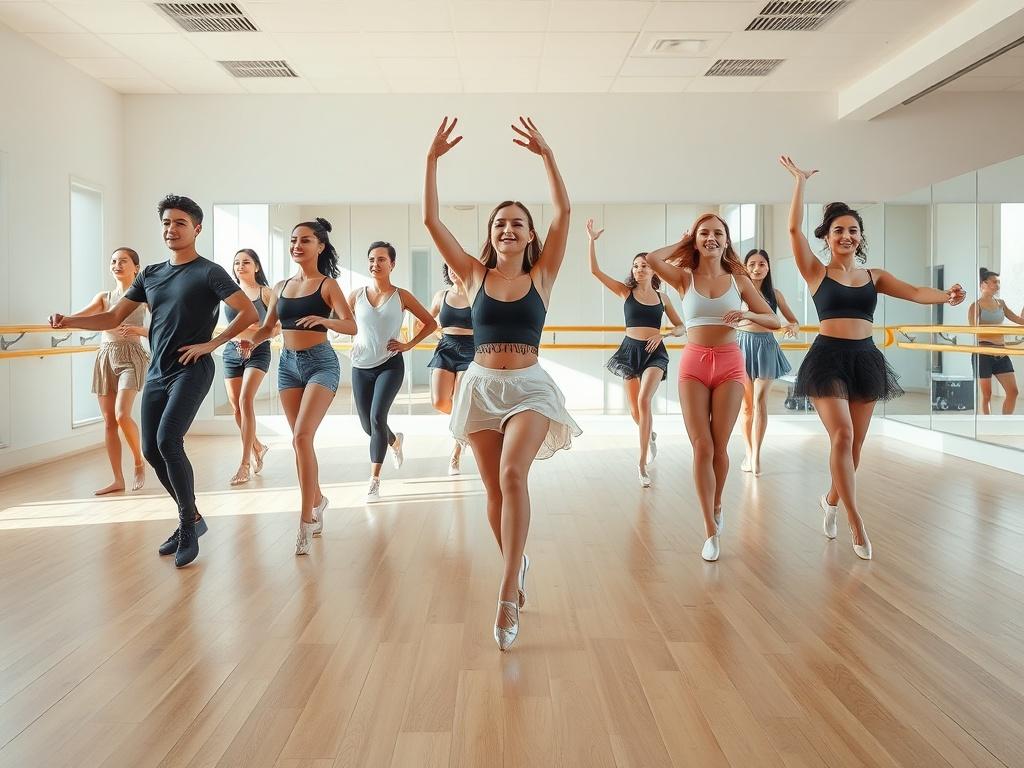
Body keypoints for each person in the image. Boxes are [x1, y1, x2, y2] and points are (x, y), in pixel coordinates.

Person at [424, 116, 580, 650]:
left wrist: (547, 155)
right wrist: (431, 161)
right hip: (483, 386)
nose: (508, 230)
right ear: (490, 236)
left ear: (529, 234)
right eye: (499, 225)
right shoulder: (472, 275)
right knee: (493, 491)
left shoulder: (543, 274)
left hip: (530, 388)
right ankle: (517, 561)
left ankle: (508, 588)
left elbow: (564, 213)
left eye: (517, 223)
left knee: (514, 476)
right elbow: (430, 221)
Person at [50, 194, 258, 567]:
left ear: (196, 228)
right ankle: (192, 517)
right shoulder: (151, 274)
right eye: (166, 223)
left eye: (180, 223)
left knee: (168, 440)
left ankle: (186, 525)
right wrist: (70, 321)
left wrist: (211, 344)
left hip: (192, 368)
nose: (171, 229)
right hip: (159, 371)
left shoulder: (209, 272)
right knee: (149, 450)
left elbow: (246, 312)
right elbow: (114, 317)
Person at [780, 155, 965, 560]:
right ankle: (855, 521)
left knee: (856, 445)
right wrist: (800, 183)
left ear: (859, 238)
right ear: (826, 238)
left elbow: (917, 293)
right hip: (827, 358)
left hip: (864, 358)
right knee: (842, 436)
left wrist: (946, 297)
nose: (845, 236)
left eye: (852, 231)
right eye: (838, 231)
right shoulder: (815, 272)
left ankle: (830, 499)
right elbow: (793, 228)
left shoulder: (874, 277)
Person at [646, 215, 781, 562]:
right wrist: (685, 241)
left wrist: (745, 317)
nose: (711, 238)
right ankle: (709, 529)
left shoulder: (739, 280)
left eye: (717, 233)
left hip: (730, 364)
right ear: (696, 239)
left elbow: (774, 320)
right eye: (704, 233)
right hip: (693, 365)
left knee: (720, 446)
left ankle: (717, 502)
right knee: (701, 446)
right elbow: (652, 260)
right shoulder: (683, 277)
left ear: (726, 240)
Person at [249, 218, 356, 555]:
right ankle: (319, 500)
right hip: (287, 366)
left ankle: (305, 519)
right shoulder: (279, 286)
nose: (297, 245)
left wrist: (326, 320)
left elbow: (350, 325)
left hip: (321, 363)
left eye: (305, 240)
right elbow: (269, 328)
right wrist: (249, 341)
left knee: (300, 436)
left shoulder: (328, 285)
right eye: (294, 240)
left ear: (320, 246)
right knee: (300, 442)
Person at [586, 219, 684, 487]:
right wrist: (592, 241)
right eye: (637, 265)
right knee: (635, 411)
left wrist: (662, 334)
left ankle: (641, 465)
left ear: (655, 271)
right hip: (630, 351)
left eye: (645, 265)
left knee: (644, 401)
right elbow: (595, 271)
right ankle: (649, 433)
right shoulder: (624, 291)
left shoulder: (663, 299)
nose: (640, 268)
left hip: (655, 353)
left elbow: (681, 327)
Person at [348, 241, 438, 502]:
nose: (375, 264)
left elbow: (431, 323)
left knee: (377, 418)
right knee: (368, 426)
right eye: (371, 259)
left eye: (381, 260)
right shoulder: (356, 295)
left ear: (392, 264)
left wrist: (408, 344)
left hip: (390, 364)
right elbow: (342, 320)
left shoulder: (402, 296)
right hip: (360, 367)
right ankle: (395, 441)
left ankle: (374, 480)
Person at [71, 247, 149, 495]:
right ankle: (118, 479)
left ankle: (139, 461)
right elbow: (81, 317)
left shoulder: (144, 295)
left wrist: (138, 331)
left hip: (131, 356)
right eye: (113, 261)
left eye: (123, 261)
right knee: (108, 422)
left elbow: (161, 327)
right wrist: (62, 319)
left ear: (135, 267)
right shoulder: (104, 297)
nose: (117, 265)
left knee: (121, 414)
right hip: (105, 357)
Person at [737, 248, 800, 476]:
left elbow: (793, 320)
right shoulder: (738, 292)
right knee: (746, 406)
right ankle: (748, 451)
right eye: (752, 264)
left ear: (768, 267)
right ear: (745, 267)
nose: (756, 268)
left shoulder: (775, 294)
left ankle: (756, 457)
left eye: (761, 264)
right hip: (741, 347)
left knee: (759, 401)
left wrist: (792, 326)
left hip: (766, 347)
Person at [222, 248, 276, 485]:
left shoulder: (266, 292)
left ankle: (244, 464)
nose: (240, 266)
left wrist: (256, 333)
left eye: (246, 262)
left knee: (245, 401)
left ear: (256, 266)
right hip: (231, 352)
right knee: (236, 408)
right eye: (236, 263)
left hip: (257, 351)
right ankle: (258, 446)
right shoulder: (228, 293)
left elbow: (278, 327)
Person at [423, 263, 474, 475]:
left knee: (461, 400)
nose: (454, 270)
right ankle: (466, 424)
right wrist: (438, 336)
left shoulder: (475, 294)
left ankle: (456, 452)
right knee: (439, 401)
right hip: (445, 348)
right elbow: (424, 321)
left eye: (457, 266)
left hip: (470, 350)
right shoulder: (441, 296)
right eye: (450, 268)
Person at [969, 268, 1023, 415]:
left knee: (1013, 392)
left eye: (998, 282)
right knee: (987, 395)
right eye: (994, 282)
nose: (997, 285)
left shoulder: (1001, 304)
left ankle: (1004, 422)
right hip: (983, 354)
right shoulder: (975, 306)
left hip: (1001, 353)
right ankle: (988, 425)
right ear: (983, 284)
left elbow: (1018, 320)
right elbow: (974, 331)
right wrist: (996, 331)